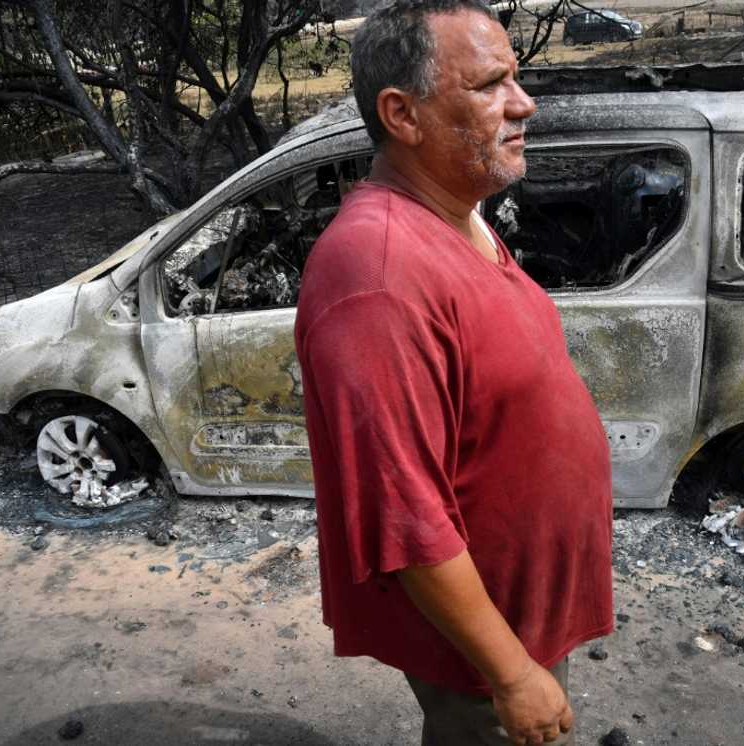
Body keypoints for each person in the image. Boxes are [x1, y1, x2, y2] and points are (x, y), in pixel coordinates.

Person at [292, 1, 614, 744]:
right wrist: (510, 674)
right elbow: (404, 516)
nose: (523, 102)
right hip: (483, 648)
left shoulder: (457, 213)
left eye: (517, 78)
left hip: (521, 613)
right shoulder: (375, 276)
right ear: (402, 115)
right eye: (490, 84)